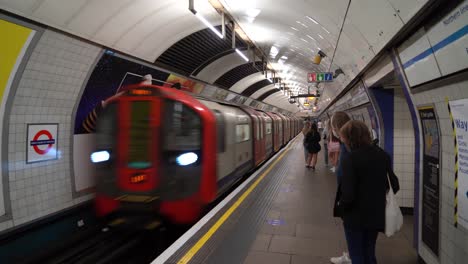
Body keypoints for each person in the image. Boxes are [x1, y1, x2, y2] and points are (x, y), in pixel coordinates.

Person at [334, 120, 400, 264]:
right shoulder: (382, 155)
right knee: (369, 252)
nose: (342, 140)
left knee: (356, 254)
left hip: (355, 216)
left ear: (350, 138)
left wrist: (341, 208)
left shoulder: (350, 159)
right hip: (376, 214)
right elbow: (395, 185)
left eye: (343, 137)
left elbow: (348, 194)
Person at [329, 111, 352, 264]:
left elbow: (345, 178)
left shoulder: (346, 151)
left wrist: (343, 203)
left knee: (354, 237)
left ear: (337, 129)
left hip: (353, 205)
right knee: (368, 247)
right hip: (371, 206)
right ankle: (351, 255)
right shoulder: (368, 147)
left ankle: (351, 257)